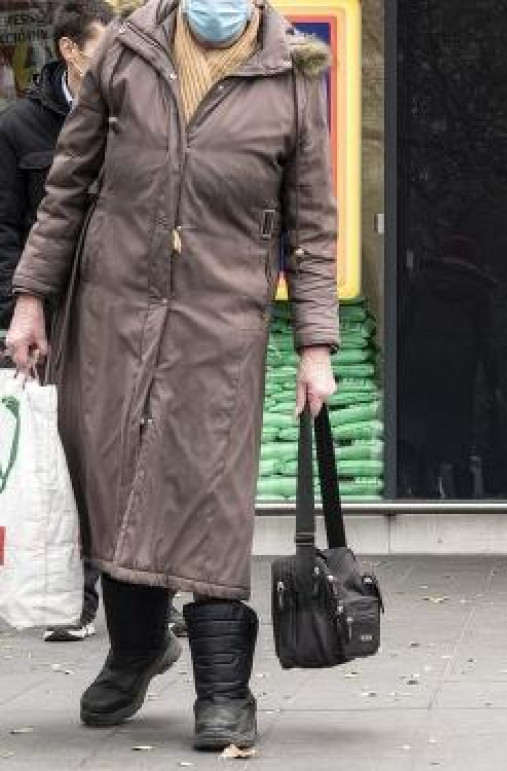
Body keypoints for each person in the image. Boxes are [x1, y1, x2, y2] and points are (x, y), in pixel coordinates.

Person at [4, 0, 339, 751]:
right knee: (116, 478)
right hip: (112, 309)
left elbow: (312, 224)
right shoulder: (125, 51)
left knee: (209, 490)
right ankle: (136, 649)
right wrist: (31, 300)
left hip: (222, 320)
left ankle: (225, 689)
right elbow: (67, 187)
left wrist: (317, 344)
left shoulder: (290, 74)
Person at [0, 0, 115, 644]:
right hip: (54, 318)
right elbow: (5, 228)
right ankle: (76, 596)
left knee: (127, 455)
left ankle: (148, 596)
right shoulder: (18, 127)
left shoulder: (134, 118)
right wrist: (15, 310)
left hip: (121, 312)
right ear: (69, 51)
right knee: (65, 454)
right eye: (103, 50)